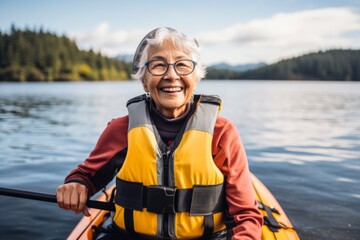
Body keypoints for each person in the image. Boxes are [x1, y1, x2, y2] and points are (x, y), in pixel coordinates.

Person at [57, 27, 263, 240]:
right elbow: (86, 177)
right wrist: (77, 185)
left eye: (182, 65)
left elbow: (246, 216)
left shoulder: (222, 132)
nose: (171, 75)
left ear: (196, 76)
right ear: (144, 80)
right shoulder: (120, 130)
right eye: (158, 65)